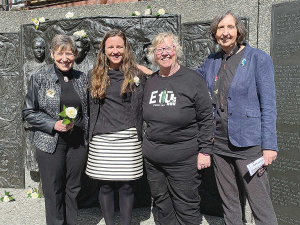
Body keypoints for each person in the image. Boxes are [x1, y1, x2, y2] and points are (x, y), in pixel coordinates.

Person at [196, 11, 278, 225]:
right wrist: (156, 74)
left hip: (248, 145)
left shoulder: (258, 58)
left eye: (230, 27)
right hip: (220, 144)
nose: (225, 33)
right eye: (220, 28)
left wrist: (269, 145)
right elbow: (187, 79)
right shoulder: (212, 61)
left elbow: (269, 105)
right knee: (230, 204)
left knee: (260, 205)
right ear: (214, 34)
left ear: (238, 30)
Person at [142, 33, 214, 225]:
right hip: (153, 161)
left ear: (176, 51)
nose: (164, 53)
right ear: (154, 55)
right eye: (159, 50)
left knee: (186, 206)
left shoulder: (193, 80)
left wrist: (205, 151)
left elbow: (207, 117)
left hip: (184, 160)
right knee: (162, 205)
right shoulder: (151, 82)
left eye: (169, 48)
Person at [22, 34, 88, 225]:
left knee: (73, 189)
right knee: (53, 190)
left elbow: (89, 111)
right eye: (60, 53)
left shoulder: (83, 79)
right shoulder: (39, 79)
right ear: (52, 54)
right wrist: (53, 124)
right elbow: (28, 111)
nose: (64, 58)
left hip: (77, 145)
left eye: (69, 53)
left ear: (75, 54)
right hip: (50, 143)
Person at [86, 29, 145, 225]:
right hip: (102, 140)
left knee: (127, 187)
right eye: (110, 47)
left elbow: (159, 83)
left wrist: (148, 71)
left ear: (125, 48)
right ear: (104, 50)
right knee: (104, 187)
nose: (115, 51)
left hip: (128, 137)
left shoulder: (136, 75)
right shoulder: (94, 75)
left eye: (119, 46)